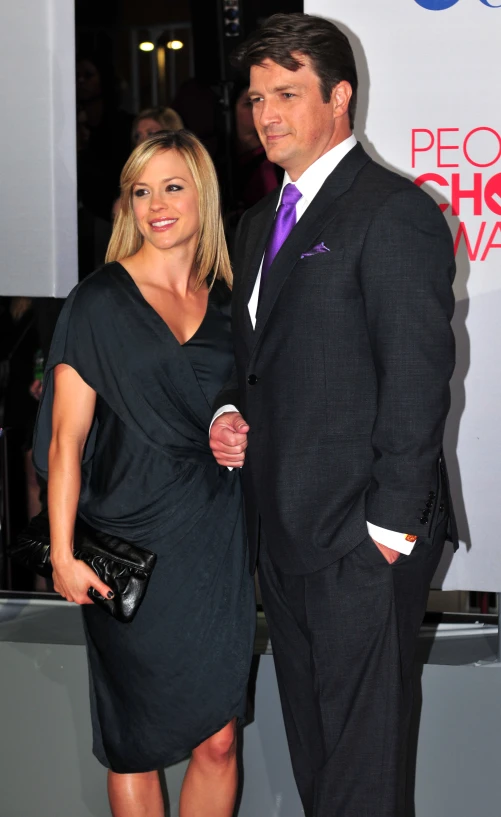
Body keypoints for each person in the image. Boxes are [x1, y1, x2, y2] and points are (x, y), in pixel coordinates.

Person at [210, 13, 457, 817]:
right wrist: (227, 411)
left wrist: (386, 529)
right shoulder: (256, 224)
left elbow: (419, 375)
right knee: (321, 763)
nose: (266, 114)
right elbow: (254, 361)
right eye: (255, 98)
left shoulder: (390, 211)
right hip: (281, 534)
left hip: (359, 536)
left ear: (339, 96)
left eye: (286, 93)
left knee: (360, 770)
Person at [32, 130, 255, 817]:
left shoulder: (225, 303)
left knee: (218, 737)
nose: (156, 204)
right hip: (125, 545)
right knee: (138, 740)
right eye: (141, 190)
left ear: (202, 195)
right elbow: (65, 440)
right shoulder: (98, 301)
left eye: (172, 187)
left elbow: (229, 395)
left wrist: (227, 418)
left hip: (211, 541)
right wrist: (63, 554)